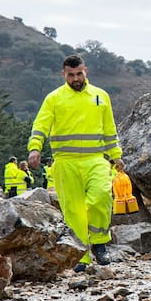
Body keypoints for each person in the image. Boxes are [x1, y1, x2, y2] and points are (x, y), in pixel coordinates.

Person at [27, 54, 124, 272]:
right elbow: (41, 124)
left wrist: (116, 155)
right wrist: (35, 147)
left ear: (85, 71)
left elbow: (110, 130)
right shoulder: (54, 98)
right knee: (74, 209)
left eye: (79, 73)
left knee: (100, 196)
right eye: (71, 75)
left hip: (96, 159)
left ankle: (99, 244)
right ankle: (81, 255)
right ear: (64, 75)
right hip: (65, 162)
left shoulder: (100, 96)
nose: (76, 78)